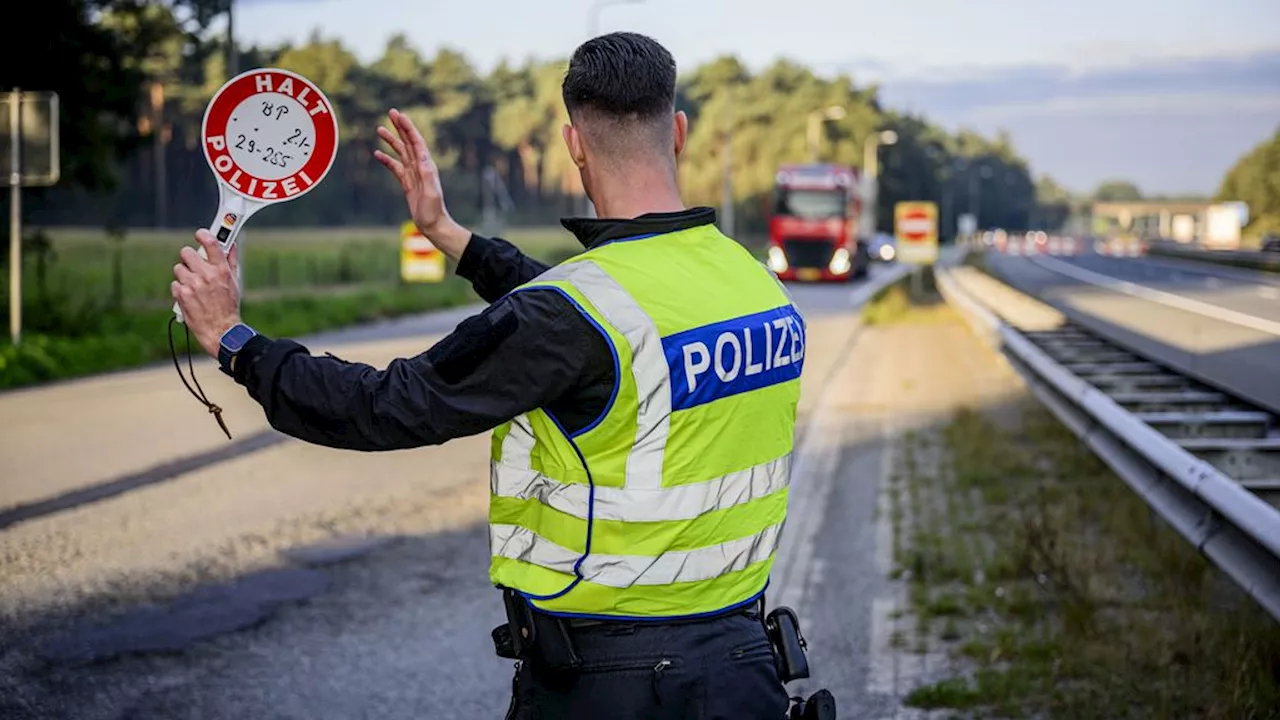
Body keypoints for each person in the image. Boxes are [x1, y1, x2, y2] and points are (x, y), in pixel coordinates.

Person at [172, 31, 816, 719]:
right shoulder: (755, 285)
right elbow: (603, 327)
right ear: (679, 132)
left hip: (614, 686)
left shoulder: (574, 317)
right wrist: (451, 235)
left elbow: (385, 406)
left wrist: (235, 341)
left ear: (573, 145)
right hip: (743, 670)